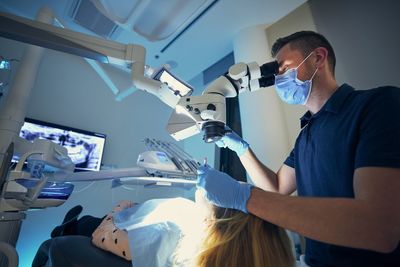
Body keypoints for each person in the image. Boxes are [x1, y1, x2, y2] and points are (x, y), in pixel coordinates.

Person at [197, 30, 400, 267]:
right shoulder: (306, 134)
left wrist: (244, 197)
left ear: (318, 58)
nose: (279, 79)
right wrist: (241, 149)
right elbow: (277, 187)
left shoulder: (377, 105)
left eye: (283, 68)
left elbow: (380, 227)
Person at [33, 190, 295, 267]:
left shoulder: (179, 243)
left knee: (89, 223)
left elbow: (103, 238)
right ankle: (70, 225)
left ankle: (65, 230)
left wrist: (118, 212)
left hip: (104, 235)